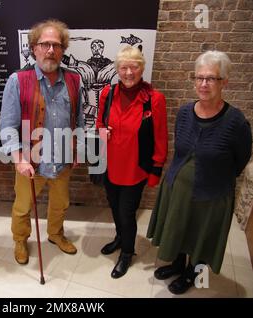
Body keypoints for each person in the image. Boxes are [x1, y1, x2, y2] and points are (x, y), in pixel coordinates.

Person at [147, 50, 252, 295]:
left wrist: (213, 176)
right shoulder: (185, 112)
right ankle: (177, 263)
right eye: (199, 77)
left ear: (225, 82)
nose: (204, 84)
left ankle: (193, 273)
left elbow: (241, 159)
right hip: (178, 189)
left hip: (212, 195)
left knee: (201, 236)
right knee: (179, 228)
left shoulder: (236, 122)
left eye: (211, 78)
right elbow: (180, 148)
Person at [0, 19, 84, 265]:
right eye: (44, 44)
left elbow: (77, 119)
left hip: (62, 159)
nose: (50, 50)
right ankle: (20, 239)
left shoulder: (74, 80)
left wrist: (76, 148)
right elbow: (7, 125)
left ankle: (55, 234)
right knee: (23, 206)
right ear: (34, 47)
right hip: (30, 161)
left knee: (61, 204)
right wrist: (18, 159)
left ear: (63, 49)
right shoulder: (18, 80)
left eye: (56, 45)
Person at [96, 46, 168, 278]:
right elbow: (99, 123)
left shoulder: (154, 99)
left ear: (142, 68)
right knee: (115, 207)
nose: (128, 72)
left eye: (134, 67)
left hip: (135, 168)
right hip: (110, 164)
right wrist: (101, 131)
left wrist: (156, 169)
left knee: (127, 212)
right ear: (117, 69)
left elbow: (160, 137)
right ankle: (120, 237)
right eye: (124, 67)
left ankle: (127, 252)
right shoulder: (107, 93)